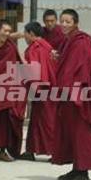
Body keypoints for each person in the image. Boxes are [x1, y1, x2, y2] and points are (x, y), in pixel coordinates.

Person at [52, 9, 91, 180]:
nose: (64, 24)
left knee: (82, 132)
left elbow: (83, 67)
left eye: (68, 21)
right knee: (71, 131)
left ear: (76, 23)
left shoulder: (82, 41)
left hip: (79, 94)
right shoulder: (69, 41)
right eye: (62, 21)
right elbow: (69, 63)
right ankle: (76, 168)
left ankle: (84, 172)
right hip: (69, 93)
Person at [0, 19, 26, 162]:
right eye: (4, 30)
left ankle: (2, 150)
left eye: (9, 31)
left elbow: (18, 66)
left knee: (4, 121)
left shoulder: (11, 47)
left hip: (5, 87)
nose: (7, 34)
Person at [20, 21, 57, 162]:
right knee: (38, 121)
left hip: (43, 89)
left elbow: (35, 70)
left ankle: (54, 151)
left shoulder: (35, 48)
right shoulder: (47, 46)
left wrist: (33, 89)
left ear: (31, 34)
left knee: (46, 122)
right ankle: (30, 150)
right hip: (51, 88)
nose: (24, 37)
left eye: (25, 34)